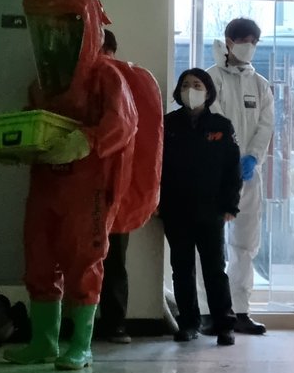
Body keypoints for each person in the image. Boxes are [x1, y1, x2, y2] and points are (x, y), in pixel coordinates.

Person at [3, 0, 137, 370]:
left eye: (62, 25)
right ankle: (44, 341)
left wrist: (86, 140)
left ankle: (81, 344)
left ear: (84, 27)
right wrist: (18, 147)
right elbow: (34, 122)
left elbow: (124, 122)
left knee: (85, 261)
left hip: (87, 188)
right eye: (46, 26)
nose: (53, 35)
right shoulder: (42, 82)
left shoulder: (106, 77)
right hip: (46, 183)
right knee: (39, 258)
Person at [159, 69, 241, 346]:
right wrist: (156, 202)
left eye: (197, 85)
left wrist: (230, 205)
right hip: (175, 209)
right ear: (178, 91)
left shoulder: (221, 125)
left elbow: (232, 170)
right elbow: (156, 167)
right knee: (182, 269)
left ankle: (224, 324)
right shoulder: (168, 124)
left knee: (214, 269)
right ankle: (189, 323)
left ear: (208, 92)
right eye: (185, 85)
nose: (191, 90)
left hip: (211, 210)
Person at [205, 18, 274, 336]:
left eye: (254, 41)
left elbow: (266, 125)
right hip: (215, 176)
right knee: (210, 244)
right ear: (229, 41)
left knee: (245, 244)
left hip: (248, 175)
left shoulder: (260, 84)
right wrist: (227, 160)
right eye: (244, 40)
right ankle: (210, 312)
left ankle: (241, 311)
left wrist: (252, 157)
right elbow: (214, 120)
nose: (250, 46)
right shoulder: (211, 78)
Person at [98, 29, 163, 344]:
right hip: (119, 189)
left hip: (101, 186)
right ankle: (114, 325)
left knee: (90, 260)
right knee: (113, 262)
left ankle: (85, 325)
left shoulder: (119, 79)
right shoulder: (134, 79)